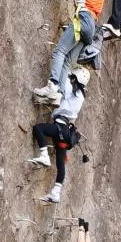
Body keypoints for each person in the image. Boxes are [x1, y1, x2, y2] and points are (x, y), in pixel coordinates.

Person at [33, 0, 108, 104]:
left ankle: (52, 85)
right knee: (67, 60)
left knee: (60, 51)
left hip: (83, 20)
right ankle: (58, 94)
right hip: (91, 27)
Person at [29, 64, 89, 204]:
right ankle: (56, 193)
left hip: (60, 127)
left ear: (75, 77)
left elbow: (59, 87)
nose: (70, 77)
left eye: (72, 76)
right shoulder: (80, 96)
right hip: (66, 132)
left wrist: (64, 71)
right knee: (60, 164)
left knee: (38, 129)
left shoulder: (70, 86)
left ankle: (44, 155)